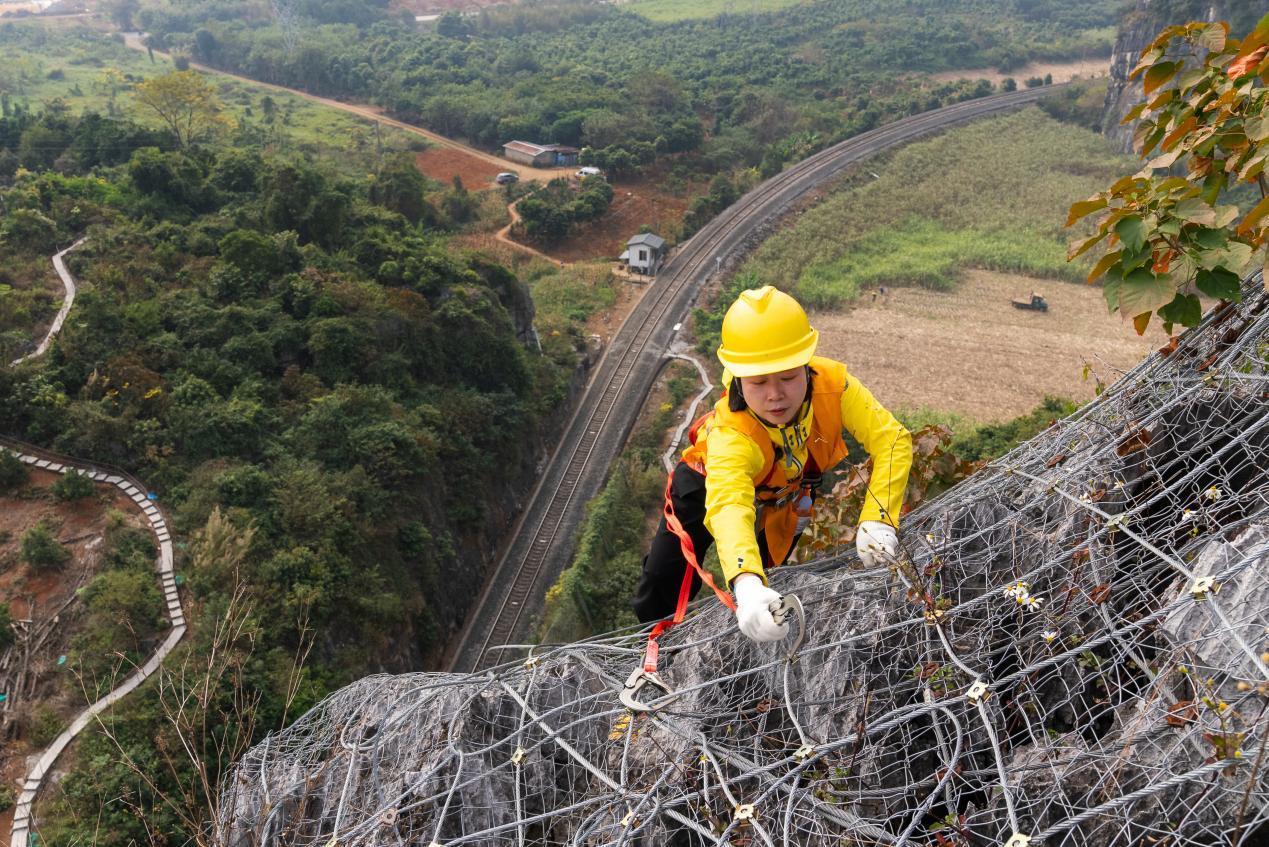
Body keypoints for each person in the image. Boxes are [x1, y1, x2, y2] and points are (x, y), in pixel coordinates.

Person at [633, 285, 912, 642]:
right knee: (661, 582)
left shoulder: (833, 387)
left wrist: (878, 517)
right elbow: (729, 505)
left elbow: (892, 439)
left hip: (784, 490)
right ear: (738, 379)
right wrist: (745, 582)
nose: (775, 395)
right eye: (758, 382)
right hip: (706, 484)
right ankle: (656, 647)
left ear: (807, 367)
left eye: (788, 377)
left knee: (772, 579)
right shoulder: (732, 434)